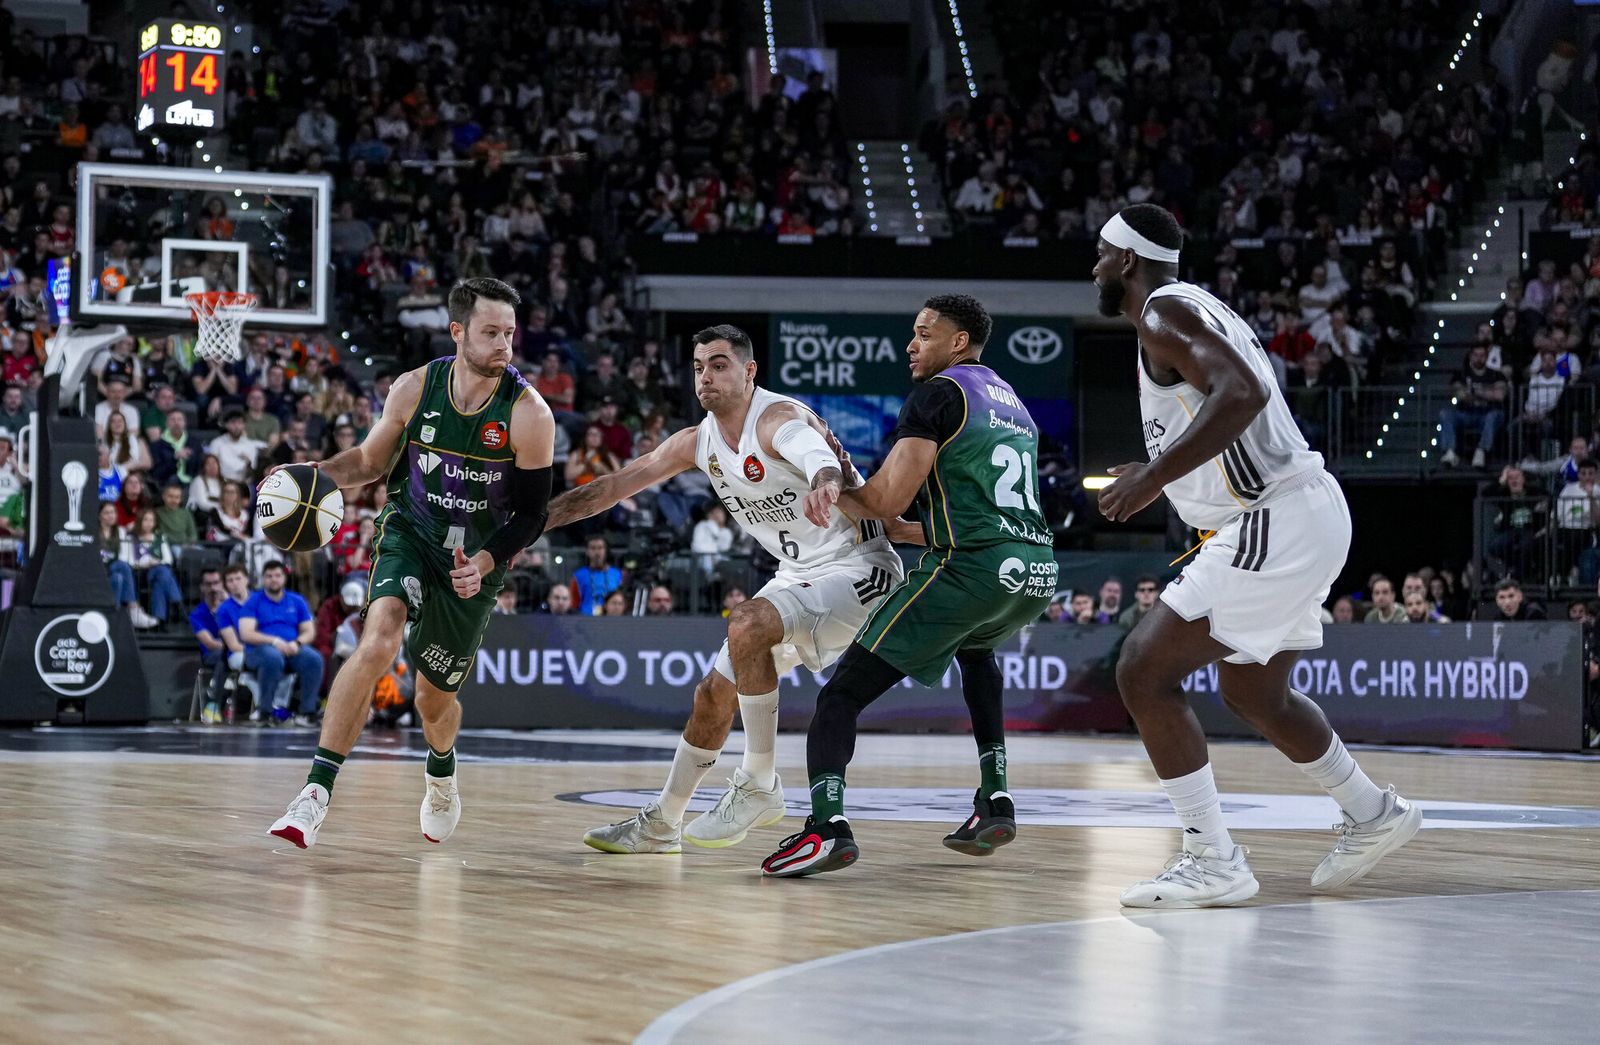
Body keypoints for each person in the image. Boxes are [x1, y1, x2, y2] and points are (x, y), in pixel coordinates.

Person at [1090, 204, 1417, 908]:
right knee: (1253, 693)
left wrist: (1151, 478)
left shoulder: (1160, 315)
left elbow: (1243, 391)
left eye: (1100, 253)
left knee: (1143, 669)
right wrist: (1163, 470)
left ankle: (1213, 858)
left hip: (1274, 515)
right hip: (1301, 511)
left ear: (1125, 259)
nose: (1093, 266)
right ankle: (1372, 810)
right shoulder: (1193, 308)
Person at [546, 323, 907, 854]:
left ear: (749, 371)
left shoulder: (777, 419)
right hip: (799, 571)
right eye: (698, 367)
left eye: (719, 364)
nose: (706, 377)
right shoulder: (698, 442)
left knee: (747, 621)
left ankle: (760, 783)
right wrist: (530, 527)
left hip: (860, 566)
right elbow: (615, 486)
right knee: (712, 695)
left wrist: (827, 481)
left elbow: (813, 454)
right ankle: (662, 823)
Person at [760, 295, 1059, 878]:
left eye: (924, 334)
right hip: (1034, 570)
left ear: (959, 342)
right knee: (977, 654)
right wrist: (894, 525)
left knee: (839, 696)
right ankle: (995, 798)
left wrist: (821, 483)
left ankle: (825, 829)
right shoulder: (1010, 402)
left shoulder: (937, 394)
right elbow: (960, 515)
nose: (911, 345)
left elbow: (882, 499)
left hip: (970, 571)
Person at [269, 277, 555, 849]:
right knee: (377, 640)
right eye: (491, 333)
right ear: (458, 333)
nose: (504, 345)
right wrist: (307, 479)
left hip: (473, 559)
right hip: (409, 531)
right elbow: (370, 463)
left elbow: (531, 516)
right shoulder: (413, 388)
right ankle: (315, 792)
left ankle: (442, 770)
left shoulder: (530, 415)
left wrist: (486, 557)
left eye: (510, 334)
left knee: (432, 699)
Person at [238, 561, 325, 726]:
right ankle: (265, 711)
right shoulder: (253, 601)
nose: (273, 580)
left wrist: (297, 643)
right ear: (263, 579)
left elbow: (309, 631)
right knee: (273, 658)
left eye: (277, 575)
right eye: (269, 576)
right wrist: (274, 641)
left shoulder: (297, 600)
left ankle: (307, 712)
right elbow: (246, 633)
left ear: (284, 578)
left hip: (291, 648)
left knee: (314, 659)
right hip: (258, 650)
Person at [190, 568, 228, 723]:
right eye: (208, 584)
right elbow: (210, 643)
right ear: (202, 588)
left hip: (238, 652)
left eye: (216, 583)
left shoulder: (232, 607)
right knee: (224, 657)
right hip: (211, 655)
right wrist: (232, 644)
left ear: (222, 584)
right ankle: (212, 704)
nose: (213, 588)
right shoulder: (197, 614)